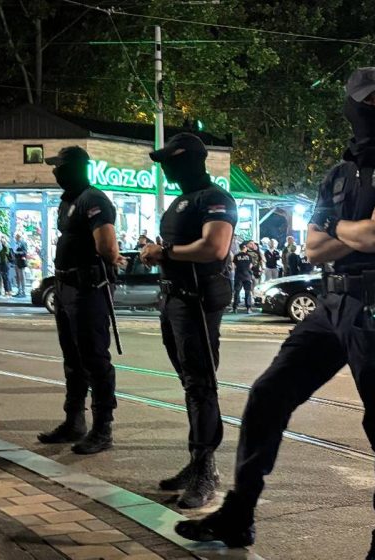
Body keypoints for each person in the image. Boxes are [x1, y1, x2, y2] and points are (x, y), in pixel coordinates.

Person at [176, 66, 375, 560]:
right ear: (350, 105)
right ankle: (239, 514)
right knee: (268, 395)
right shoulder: (337, 174)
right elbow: (312, 249)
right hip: (331, 303)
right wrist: (357, 230)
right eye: (367, 100)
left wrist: (342, 230)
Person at [139, 133, 237, 509]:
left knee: (200, 385)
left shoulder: (214, 198)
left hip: (197, 302)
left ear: (189, 160)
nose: (166, 168)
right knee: (191, 384)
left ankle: (205, 470)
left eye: (171, 161)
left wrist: (164, 252)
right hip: (174, 301)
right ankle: (198, 462)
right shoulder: (182, 200)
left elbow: (215, 247)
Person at [36, 146, 123, 455]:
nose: (54, 172)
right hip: (66, 288)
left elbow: (107, 247)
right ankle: (74, 422)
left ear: (73, 168)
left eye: (58, 166)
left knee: (94, 359)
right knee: (73, 360)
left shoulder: (93, 199)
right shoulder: (69, 201)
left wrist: (111, 259)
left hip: (88, 290)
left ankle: (103, 428)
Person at [232, 243, 254, 313]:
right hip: (247, 276)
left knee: (237, 292)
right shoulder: (249, 256)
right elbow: (250, 266)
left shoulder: (236, 256)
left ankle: (235, 308)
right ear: (245, 248)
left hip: (238, 276)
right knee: (247, 292)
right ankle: (248, 308)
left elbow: (234, 266)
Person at [13, 233, 28, 297]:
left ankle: (23, 291)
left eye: (16, 237)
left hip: (21, 262)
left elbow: (25, 252)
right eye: (15, 237)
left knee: (22, 276)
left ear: (19, 237)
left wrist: (17, 252)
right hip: (17, 261)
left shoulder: (23, 243)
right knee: (18, 277)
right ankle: (19, 291)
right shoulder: (16, 243)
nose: (15, 238)